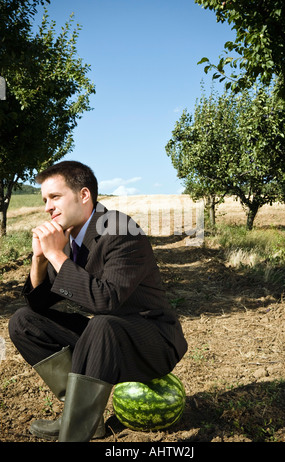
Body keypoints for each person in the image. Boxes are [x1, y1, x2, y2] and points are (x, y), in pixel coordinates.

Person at [8, 161, 188, 442]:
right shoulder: (67, 238)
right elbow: (40, 305)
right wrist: (40, 259)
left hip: (152, 340)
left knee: (102, 324)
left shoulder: (120, 229)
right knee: (24, 321)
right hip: (104, 339)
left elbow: (106, 300)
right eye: (44, 200)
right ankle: (79, 415)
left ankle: (74, 435)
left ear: (83, 195)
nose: (47, 208)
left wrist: (56, 255)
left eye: (55, 197)